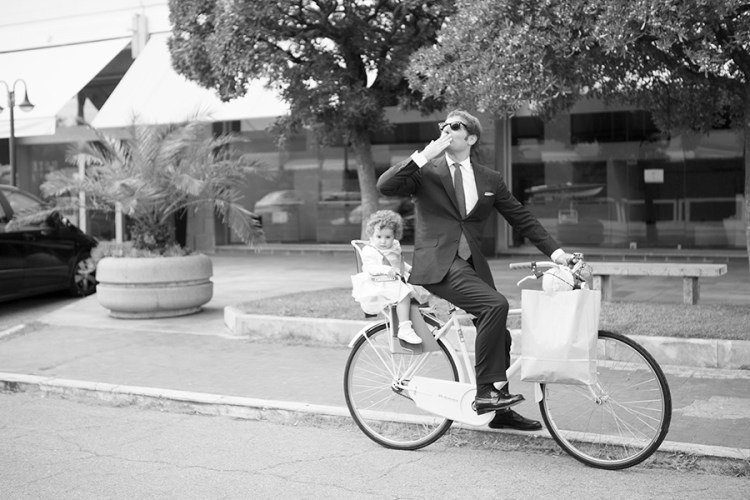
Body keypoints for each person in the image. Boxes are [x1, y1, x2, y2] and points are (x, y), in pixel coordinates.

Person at [377, 110, 574, 431]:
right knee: (495, 305)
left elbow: (521, 218)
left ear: (471, 137)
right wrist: (424, 154)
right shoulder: (426, 171)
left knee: (501, 336)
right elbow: (385, 185)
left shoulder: (489, 179)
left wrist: (558, 253)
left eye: (454, 126)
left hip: (471, 266)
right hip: (438, 264)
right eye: (443, 125)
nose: (446, 129)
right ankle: (485, 394)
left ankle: (499, 412)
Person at [351, 210, 429, 344]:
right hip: (380, 281)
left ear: (394, 236)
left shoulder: (394, 246)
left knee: (420, 288)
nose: (383, 241)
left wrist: (410, 269)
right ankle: (404, 327)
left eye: (388, 237)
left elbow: (398, 263)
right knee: (404, 293)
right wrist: (387, 270)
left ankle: (422, 322)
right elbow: (371, 268)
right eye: (378, 236)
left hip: (395, 278)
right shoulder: (370, 250)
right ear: (371, 235)